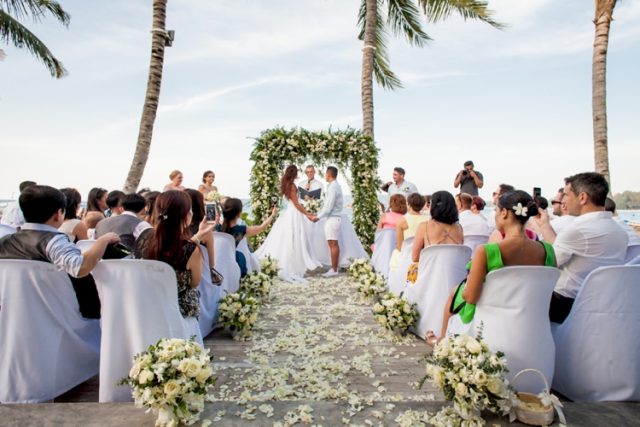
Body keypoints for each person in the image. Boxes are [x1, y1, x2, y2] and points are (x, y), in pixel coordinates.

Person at [425, 190, 557, 344]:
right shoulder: (548, 250)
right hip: (533, 326)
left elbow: (471, 297)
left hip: (491, 322)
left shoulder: (488, 251)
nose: (494, 215)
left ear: (505, 213)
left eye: (496, 210)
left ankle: (443, 340)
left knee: (457, 292)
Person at [0, 185, 120, 318]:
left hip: (14, 318)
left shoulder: (5, 241)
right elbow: (80, 268)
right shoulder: (53, 242)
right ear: (58, 214)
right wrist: (103, 240)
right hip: (60, 318)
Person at [536, 172, 628, 323]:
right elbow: (560, 249)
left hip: (565, 306)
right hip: (604, 304)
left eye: (566, 195)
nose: (563, 202)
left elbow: (550, 262)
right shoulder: (619, 231)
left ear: (583, 197)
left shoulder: (578, 229)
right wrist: (545, 226)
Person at [134, 190, 214, 344]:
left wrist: (197, 237)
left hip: (147, 307)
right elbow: (194, 282)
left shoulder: (143, 238)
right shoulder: (190, 250)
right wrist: (196, 239)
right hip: (178, 313)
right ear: (186, 215)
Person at [255, 165, 321, 283]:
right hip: (294, 213)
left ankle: (294, 261)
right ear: (294, 173)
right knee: (294, 238)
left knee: (292, 238)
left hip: (290, 212)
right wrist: (308, 214)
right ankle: (292, 264)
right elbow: (296, 204)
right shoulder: (292, 186)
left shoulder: (287, 184)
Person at [217, 198, 277, 276]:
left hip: (220, 265)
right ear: (239, 213)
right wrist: (272, 215)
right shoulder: (241, 230)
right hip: (238, 265)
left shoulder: (217, 228)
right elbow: (262, 227)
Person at [411, 191, 464, 264]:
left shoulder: (424, 226)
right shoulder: (459, 228)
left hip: (431, 273)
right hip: (454, 273)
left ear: (433, 206)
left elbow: (415, 258)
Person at [310, 166, 344, 277]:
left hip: (333, 219)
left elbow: (328, 207)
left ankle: (334, 270)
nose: (325, 176)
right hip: (334, 218)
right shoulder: (335, 186)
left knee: (333, 244)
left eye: (325, 174)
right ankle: (335, 268)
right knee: (333, 244)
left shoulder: (333, 188)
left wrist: (317, 217)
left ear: (328, 174)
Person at [389, 193, 429, 271]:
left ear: (408, 204)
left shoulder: (401, 221)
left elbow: (400, 247)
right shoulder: (428, 219)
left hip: (407, 255)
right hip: (424, 254)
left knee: (395, 254)